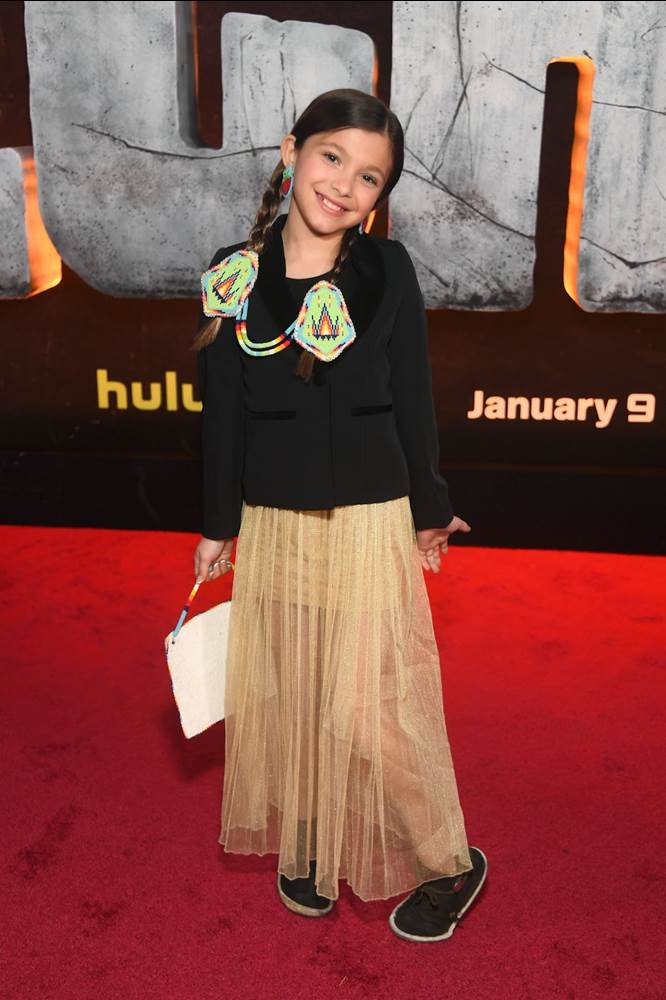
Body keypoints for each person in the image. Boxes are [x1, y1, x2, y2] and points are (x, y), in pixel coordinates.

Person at [191, 88, 488, 942]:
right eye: (332, 157)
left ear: (379, 195)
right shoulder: (234, 271)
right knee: (294, 691)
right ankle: (311, 841)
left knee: (364, 708)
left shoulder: (385, 270)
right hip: (272, 517)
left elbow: (413, 398)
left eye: (369, 177)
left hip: (367, 515)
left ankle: (449, 861)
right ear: (292, 151)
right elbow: (223, 412)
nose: (344, 185)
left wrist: (431, 507)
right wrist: (217, 524)